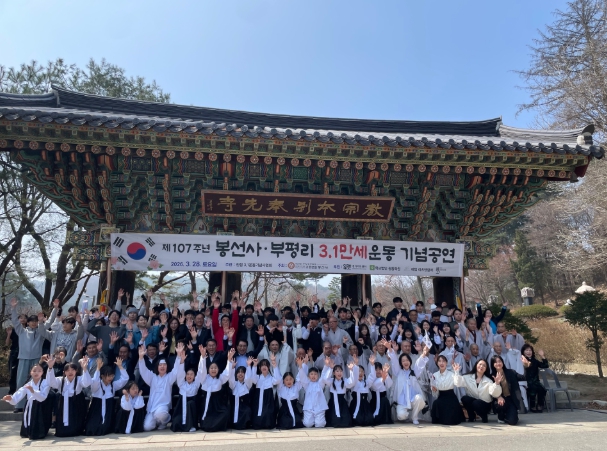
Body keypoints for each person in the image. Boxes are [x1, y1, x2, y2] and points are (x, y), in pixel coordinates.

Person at [10, 298, 48, 413]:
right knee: (21, 381)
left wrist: (54, 311)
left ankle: (33, 402)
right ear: (28, 322)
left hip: (36, 360)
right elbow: (15, 322)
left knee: (35, 382)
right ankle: (19, 405)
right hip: (23, 359)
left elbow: (48, 324)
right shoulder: (22, 331)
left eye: (36, 321)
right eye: (32, 321)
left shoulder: (41, 332)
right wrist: (13, 308)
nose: (34, 323)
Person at [138, 343, 184, 431]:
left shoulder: (169, 377)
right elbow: (143, 371)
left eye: (164, 365)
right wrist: (141, 358)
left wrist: (178, 356)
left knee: (160, 414)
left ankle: (164, 422)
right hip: (152, 408)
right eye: (160, 365)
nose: (162, 366)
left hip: (163, 407)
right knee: (147, 427)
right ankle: (156, 422)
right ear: (157, 367)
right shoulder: (152, 377)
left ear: (167, 366)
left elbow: (175, 370)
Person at [2, 363, 52, 440]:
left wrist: (33, 391)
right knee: (29, 424)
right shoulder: (28, 384)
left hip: (41, 405)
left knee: (40, 426)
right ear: (30, 372)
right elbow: (19, 394)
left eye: (39, 371)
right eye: (34, 371)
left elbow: (43, 397)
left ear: (42, 372)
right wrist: (10, 398)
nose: (36, 373)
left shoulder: (46, 383)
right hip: (30, 405)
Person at [46, 356, 92, 437]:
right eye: (67, 370)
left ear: (76, 371)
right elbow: (51, 382)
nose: (70, 372)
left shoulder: (79, 379)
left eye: (72, 370)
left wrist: (84, 368)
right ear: (64, 372)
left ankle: (77, 431)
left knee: (76, 419)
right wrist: (50, 368)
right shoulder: (60, 380)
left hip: (76, 401)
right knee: (62, 419)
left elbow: (87, 383)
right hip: (63, 402)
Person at [84, 357, 129, 435]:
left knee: (106, 428)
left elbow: (125, 379)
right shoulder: (97, 385)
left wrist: (120, 367)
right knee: (92, 429)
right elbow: (94, 381)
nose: (110, 378)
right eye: (108, 376)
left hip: (108, 411)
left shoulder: (113, 385)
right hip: (97, 410)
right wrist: (98, 369)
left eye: (112, 376)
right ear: (102, 376)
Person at [388, 342, 426, 424]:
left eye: (407, 360)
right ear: (401, 363)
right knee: (401, 416)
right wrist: (390, 348)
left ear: (410, 362)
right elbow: (394, 361)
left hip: (412, 399)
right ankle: (407, 415)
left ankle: (414, 417)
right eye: (403, 361)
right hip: (402, 401)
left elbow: (419, 364)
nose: (405, 362)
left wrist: (423, 354)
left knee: (419, 398)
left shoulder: (414, 372)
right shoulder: (398, 372)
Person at [198, 347, 233, 432]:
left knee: (225, 413)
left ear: (218, 369)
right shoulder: (204, 379)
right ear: (208, 369)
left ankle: (218, 427)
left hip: (218, 406)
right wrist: (203, 357)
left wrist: (229, 360)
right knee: (207, 421)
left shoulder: (220, 379)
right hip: (207, 406)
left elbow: (227, 373)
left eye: (215, 368)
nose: (213, 369)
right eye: (211, 368)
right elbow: (201, 371)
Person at [171, 349, 202, 432]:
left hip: (192, 408)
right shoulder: (181, 384)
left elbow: (200, 372)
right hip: (181, 409)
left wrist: (202, 357)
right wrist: (182, 361)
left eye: (191, 374)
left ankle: (192, 425)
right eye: (187, 374)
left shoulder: (196, 385)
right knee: (176, 422)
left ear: (194, 376)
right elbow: (180, 374)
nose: (189, 376)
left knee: (190, 403)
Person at [324, 357, 358, 428]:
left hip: (342, 402)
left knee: (345, 421)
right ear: (334, 373)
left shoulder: (344, 381)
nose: (339, 373)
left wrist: (351, 370)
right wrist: (330, 368)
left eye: (340, 371)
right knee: (333, 419)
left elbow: (352, 382)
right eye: (337, 371)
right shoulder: (331, 381)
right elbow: (325, 379)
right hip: (333, 402)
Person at [430, 355, 464, 425]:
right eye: (439, 361)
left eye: (443, 361)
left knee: (450, 420)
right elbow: (435, 394)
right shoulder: (435, 375)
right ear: (437, 363)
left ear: (446, 363)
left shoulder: (451, 374)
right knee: (436, 403)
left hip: (451, 397)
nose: (441, 363)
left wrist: (456, 372)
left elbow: (457, 383)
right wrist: (434, 390)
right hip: (441, 397)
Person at [490, 355, 523, 425]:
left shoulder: (511, 372)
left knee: (512, 421)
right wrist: (498, 396)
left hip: (510, 399)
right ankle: (501, 416)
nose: (498, 363)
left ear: (502, 362)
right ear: (493, 364)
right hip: (499, 399)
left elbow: (523, 377)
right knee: (500, 404)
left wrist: (526, 366)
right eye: (495, 362)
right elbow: (490, 391)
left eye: (499, 361)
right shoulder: (491, 376)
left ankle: (509, 416)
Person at [274, 354, 304, 429]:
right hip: (284, 412)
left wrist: (300, 366)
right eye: (286, 380)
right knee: (286, 423)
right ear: (283, 381)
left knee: (297, 422)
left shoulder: (296, 387)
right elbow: (278, 377)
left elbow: (300, 378)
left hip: (294, 410)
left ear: (293, 380)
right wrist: (275, 365)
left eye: (290, 379)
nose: (289, 381)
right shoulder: (281, 387)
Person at [250, 358, 280, 429]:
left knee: (267, 412)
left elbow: (277, 380)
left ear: (268, 367)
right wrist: (254, 366)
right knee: (258, 413)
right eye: (262, 365)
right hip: (258, 399)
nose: (264, 367)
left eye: (266, 365)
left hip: (268, 400)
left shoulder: (271, 378)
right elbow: (252, 379)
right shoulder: (257, 377)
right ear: (260, 368)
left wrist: (275, 366)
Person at [521, 344, 549, 412]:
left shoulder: (534, 361)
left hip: (535, 381)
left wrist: (542, 356)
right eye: (526, 350)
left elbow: (545, 365)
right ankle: (532, 405)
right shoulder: (521, 360)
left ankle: (540, 405)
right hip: (526, 381)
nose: (528, 352)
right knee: (532, 388)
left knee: (541, 389)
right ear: (523, 351)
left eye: (530, 350)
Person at [229, 357, 255, 430]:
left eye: (242, 372)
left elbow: (248, 378)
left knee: (247, 411)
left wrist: (248, 366)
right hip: (235, 407)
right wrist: (232, 368)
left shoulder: (247, 385)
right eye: (238, 372)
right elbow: (230, 380)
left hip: (244, 408)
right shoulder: (234, 384)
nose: (240, 374)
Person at [367, 355, 393, 425]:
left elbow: (389, 384)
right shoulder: (371, 378)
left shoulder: (384, 377)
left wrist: (386, 374)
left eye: (380, 369)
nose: (378, 371)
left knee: (385, 400)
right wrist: (382, 379)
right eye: (376, 369)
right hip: (374, 401)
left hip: (383, 402)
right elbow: (374, 386)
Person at [349, 362, 374, 427]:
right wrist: (354, 366)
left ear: (364, 373)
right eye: (358, 371)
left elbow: (372, 377)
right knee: (358, 420)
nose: (360, 373)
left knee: (369, 420)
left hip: (365, 405)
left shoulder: (366, 382)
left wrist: (372, 365)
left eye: (362, 371)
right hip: (355, 404)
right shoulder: (353, 382)